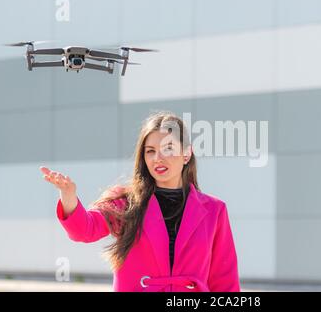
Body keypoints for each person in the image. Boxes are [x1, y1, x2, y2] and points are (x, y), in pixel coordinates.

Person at [39, 111, 240, 292]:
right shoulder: (125, 202)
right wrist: (68, 196)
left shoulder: (214, 210)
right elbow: (84, 229)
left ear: (186, 153)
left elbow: (224, 281)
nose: (157, 158)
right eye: (150, 151)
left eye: (168, 148)